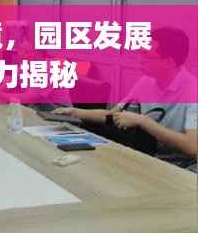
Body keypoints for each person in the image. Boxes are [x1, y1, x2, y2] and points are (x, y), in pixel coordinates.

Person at [53, 27, 197, 169]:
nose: (140, 60)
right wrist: (75, 112)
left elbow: (192, 147)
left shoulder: (192, 90)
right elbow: (113, 116)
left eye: (146, 55)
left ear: (169, 62)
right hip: (146, 158)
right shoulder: (146, 82)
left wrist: (143, 121)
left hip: (181, 167)